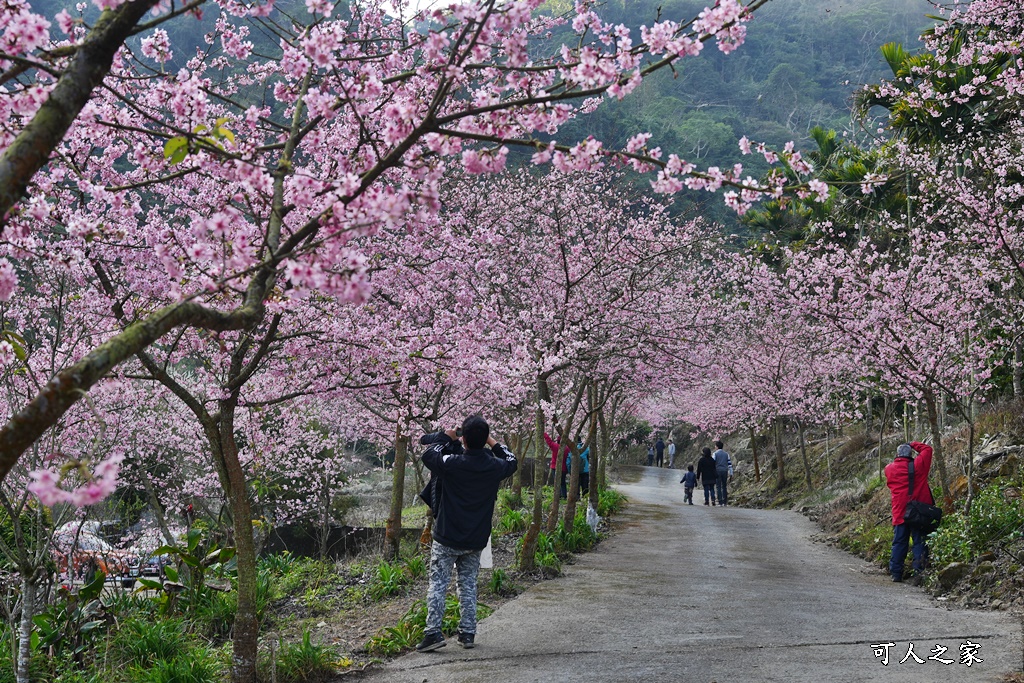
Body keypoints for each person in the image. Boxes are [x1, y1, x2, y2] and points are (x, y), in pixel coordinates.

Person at [415, 414, 517, 652]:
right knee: (468, 583)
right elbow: (511, 460)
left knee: (438, 584)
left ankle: (432, 633)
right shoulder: (495, 466)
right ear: (483, 440)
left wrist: (445, 436)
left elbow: (428, 455)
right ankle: (468, 633)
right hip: (476, 538)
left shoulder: (452, 462)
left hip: (447, 536)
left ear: (464, 440)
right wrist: (492, 441)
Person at [884, 442, 934, 583]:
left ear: (897, 455)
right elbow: (927, 449)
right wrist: (912, 444)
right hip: (917, 512)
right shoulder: (918, 467)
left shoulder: (889, 469)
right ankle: (919, 573)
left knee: (899, 542)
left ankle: (896, 573)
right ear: (910, 454)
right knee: (919, 542)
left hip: (899, 512)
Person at [544, 424, 569, 499]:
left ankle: (558, 495)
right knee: (563, 482)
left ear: (557, 441)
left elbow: (549, 441)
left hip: (555, 466)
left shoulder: (555, 446)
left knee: (557, 481)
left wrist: (544, 433)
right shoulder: (567, 448)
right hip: (564, 468)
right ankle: (564, 495)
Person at [712, 440, 733, 506]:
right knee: (724, 486)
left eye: (715, 446)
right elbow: (729, 464)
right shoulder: (726, 454)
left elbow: (713, 463)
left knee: (718, 486)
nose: (715, 447)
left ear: (717, 447)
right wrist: (731, 472)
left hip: (718, 470)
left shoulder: (715, 454)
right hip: (725, 471)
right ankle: (725, 501)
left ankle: (720, 501)